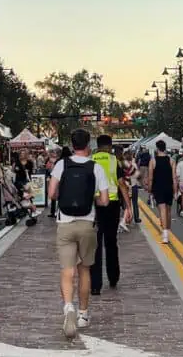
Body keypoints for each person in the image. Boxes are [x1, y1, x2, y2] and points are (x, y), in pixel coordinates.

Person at [49, 129, 110, 339]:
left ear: (72, 144)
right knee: (84, 270)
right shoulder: (96, 168)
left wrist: (63, 194)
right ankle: (83, 314)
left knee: (67, 270)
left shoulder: (61, 165)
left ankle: (68, 307)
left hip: (65, 222)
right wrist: (90, 198)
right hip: (87, 222)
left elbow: (51, 194)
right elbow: (104, 201)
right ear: (88, 145)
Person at [90, 135, 131, 295]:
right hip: (112, 205)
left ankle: (95, 285)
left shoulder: (91, 159)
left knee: (95, 245)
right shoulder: (114, 160)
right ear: (109, 146)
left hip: (94, 205)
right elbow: (121, 183)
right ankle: (113, 277)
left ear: (98, 145)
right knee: (111, 242)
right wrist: (128, 206)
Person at [148, 141, 175, 244]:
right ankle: (168, 230)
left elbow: (151, 178)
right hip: (169, 187)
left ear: (157, 148)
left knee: (162, 210)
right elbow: (174, 178)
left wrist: (150, 189)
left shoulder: (153, 161)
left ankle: (165, 234)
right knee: (168, 210)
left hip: (158, 188)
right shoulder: (171, 160)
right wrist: (176, 190)